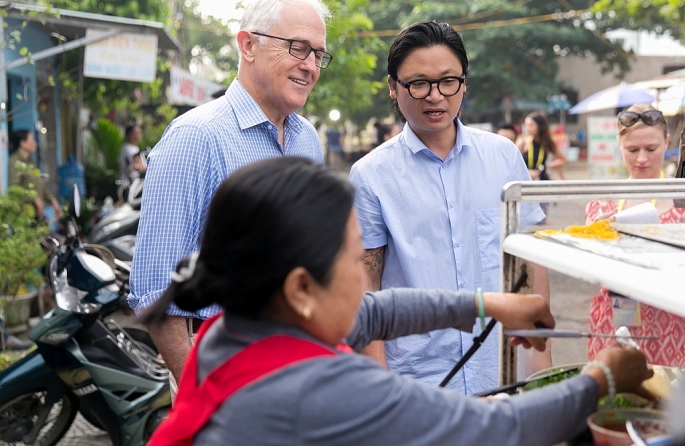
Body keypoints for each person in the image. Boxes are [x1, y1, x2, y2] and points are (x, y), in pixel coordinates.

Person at [144, 156, 653, 446]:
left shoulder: (236, 330)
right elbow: (502, 430)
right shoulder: (323, 386)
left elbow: (378, 312)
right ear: (301, 288)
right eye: (352, 258)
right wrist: (603, 377)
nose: (364, 274)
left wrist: (491, 304)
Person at [129, 0, 332, 395]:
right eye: (297, 47)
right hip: (223, 368)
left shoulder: (307, 140)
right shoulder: (195, 137)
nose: (309, 65)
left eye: (318, 54)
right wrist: (205, 393)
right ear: (248, 45)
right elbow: (153, 290)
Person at [348, 21, 549, 392]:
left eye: (447, 81)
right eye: (418, 83)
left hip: (500, 366)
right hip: (417, 379)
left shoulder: (503, 157)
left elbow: (530, 257)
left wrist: (539, 368)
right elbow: (366, 287)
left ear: (463, 83)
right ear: (393, 88)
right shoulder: (371, 175)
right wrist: (377, 386)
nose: (435, 96)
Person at [585, 104, 685, 367]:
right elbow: (589, 266)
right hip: (614, 316)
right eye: (632, 150)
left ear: (666, 141)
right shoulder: (602, 204)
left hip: (670, 318)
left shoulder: (680, 200)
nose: (642, 159)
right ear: (620, 144)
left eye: (651, 149)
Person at [8, 129, 62, 220]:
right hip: (25, 215)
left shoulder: (31, 161)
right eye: (32, 140)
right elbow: (14, 188)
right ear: (23, 143)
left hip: (38, 214)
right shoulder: (14, 162)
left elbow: (39, 184)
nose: (35, 143)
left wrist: (52, 200)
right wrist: (34, 198)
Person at [517, 111, 568, 182]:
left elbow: (563, 160)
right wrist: (527, 172)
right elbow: (514, 163)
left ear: (540, 126)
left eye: (531, 125)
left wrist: (547, 166)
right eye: (526, 125)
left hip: (542, 180)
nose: (527, 128)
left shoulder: (547, 142)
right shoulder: (522, 142)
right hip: (526, 181)